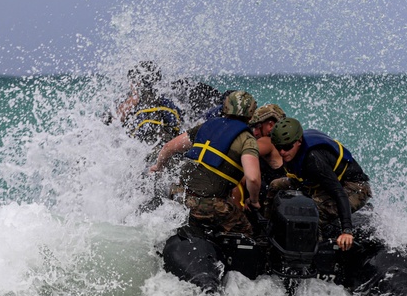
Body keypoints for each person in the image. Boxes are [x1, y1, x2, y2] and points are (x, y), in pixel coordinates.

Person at [150, 90, 261, 235]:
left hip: (179, 195)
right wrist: (254, 201)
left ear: (225, 107)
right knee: (247, 232)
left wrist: (158, 167)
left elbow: (168, 147)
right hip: (210, 205)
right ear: (251, 113)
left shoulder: (205, 126)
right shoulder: (247, 139)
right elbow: (252, 178)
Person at [269, 117, 372, 251]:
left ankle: (313, 252)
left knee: (310, 211)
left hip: (354, 187)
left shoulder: (313, 160)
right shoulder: (292, 152)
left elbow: (338, 193)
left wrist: (347, 230)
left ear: (299, 141)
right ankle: (268, 231)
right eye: (279, 147)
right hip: (321, 182)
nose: (282, 152)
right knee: (275, 185)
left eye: (287, 147)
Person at [114, 61, 183, 148]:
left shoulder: (131, 103)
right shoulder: (167, 102)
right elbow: (179, 124)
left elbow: (115, 121)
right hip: (166, 144)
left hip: (142, 148)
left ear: (136, 83)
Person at [248, 103, 287, 205]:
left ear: (270, 125)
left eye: (257, 127)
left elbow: (244, 152)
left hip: (270, 201)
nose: (255, 132)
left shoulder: (268, 141)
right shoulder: (283, 143)